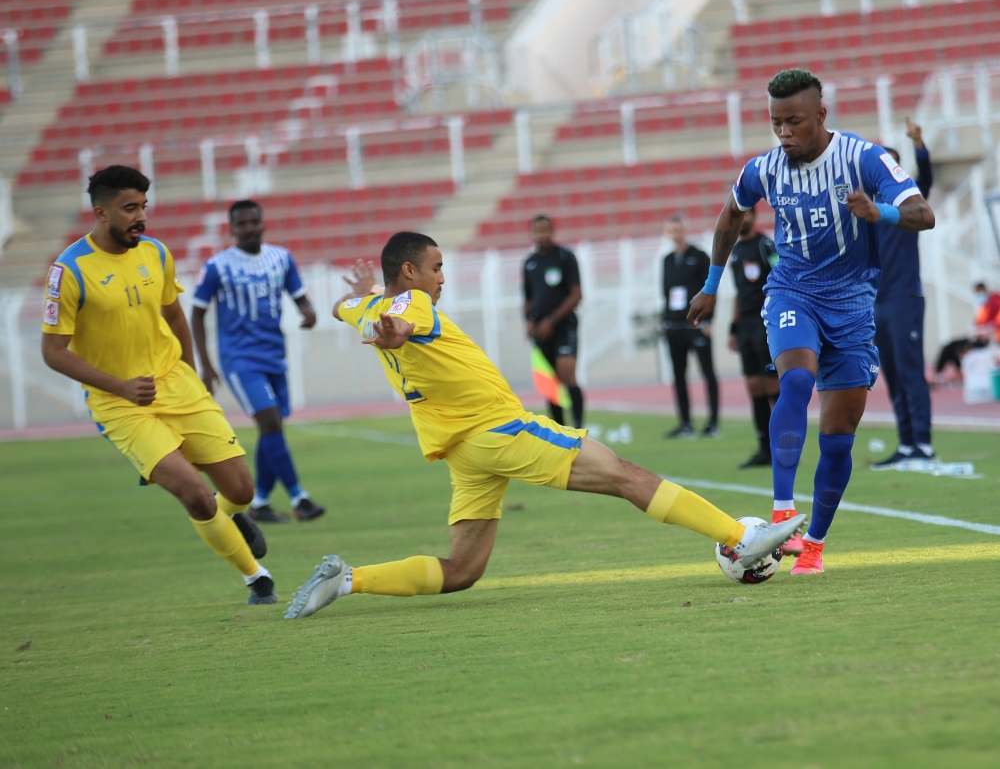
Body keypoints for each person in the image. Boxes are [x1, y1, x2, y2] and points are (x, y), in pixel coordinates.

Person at [283, 233, 805, 619]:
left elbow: (343, 306)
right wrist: (396, 326)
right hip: (499, 431)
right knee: (625, 475)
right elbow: (405, 319)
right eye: (436, 267)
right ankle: (743, 538)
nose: (442, 278)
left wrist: (372, 299)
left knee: (463, 570)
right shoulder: (411, 303)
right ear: (409, 270)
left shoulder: (366, 308)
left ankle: (347, 580)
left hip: (463, 452)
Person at [688, 69, 935, 575]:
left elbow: (923, 213)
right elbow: (731, 217)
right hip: (793, 291)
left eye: (794, 122)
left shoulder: (863, 158)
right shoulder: (763, 169)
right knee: (797, 380)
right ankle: (781, 512)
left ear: (821, 114)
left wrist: (881, 213)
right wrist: (711, 286)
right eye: (776, 123)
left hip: (853, 305)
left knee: (839, 433)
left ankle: (814, 545)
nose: (784, 133)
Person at [40, 166, 276, 605]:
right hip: (121, 404)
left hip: (177, 385)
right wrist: (121, 387)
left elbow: (175, 316)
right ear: (101, 212)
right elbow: (53, 352)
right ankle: (257, 578)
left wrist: (190, 373)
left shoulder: (156, 253)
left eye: (144, 207)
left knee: (241, 490)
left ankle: (231, 517)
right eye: (130, 208)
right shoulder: (69, 270)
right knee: (196, 496)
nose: (141, 217)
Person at [191, 200, 325, 524]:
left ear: (262, 223)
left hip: (274, 354)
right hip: (239, 358)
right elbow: (196, 313)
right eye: (242, 224)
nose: (249, 228)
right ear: (232, 228)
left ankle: (260, 502)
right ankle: (299, 497)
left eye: (254, 222)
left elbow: (300, 297)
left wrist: (308, 312)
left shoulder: (281, 258)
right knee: (270, 423)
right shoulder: (217, 266)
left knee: (272, 428)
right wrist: (206, 365)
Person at [870, 118, 936, 468]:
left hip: (904, 298)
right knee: (893, 376)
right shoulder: (867, 212)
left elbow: (926, 179)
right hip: (876, 303)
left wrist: (919, 145)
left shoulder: (909, 206)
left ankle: (923, 444)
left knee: (910, 373)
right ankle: (907, 444)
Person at [727, 205, 780, 467]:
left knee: (773, 387)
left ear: (754, 217)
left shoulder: (765, 245)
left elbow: (782, 278)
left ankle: (785, 446)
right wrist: (733, 327)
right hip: (746, 326)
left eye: (747, 214)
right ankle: (764, 449)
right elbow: (739, 292)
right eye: (739, 215)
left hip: (765, 323)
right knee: (754, 386)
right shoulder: (735, 251)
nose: (744, 219)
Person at [523, 215, 585, 428]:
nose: (542, 235)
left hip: (564, 325)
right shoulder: (530, 263)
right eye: (538, 231)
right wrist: (529, 321)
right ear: (532, 234)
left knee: (567, 373)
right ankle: (560, 429)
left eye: (545, 230)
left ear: (553, 231)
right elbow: (528, 299)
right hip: (541, 330)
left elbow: (576, 294)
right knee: (550, 381)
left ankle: (578, 426)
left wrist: (553, 319)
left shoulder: (565, 257)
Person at [661, 216, 719, 438]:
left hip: (696, 325)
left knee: (707, 373)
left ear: (685, 231)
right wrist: (665, 320)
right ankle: (685, 423)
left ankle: (713, 422)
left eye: (678, 230)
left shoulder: (699, 256)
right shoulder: (667, 260)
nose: (675, 235)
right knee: (678, 376)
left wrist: (709, 319)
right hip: (674, 327)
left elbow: (711, 289)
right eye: (671, 231)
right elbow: (665, 292)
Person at [934, 283, 1000, 378]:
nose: (979, 297)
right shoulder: (984, 307)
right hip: (976, 337)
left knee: (952, 348)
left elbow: (993, 326)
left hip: (985, 341)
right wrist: (974, 329)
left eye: (980, 293)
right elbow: (978, 323)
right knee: (949, 347)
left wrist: (982, 331)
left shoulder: (995, 303)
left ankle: (945, 373)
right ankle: (951, 372)